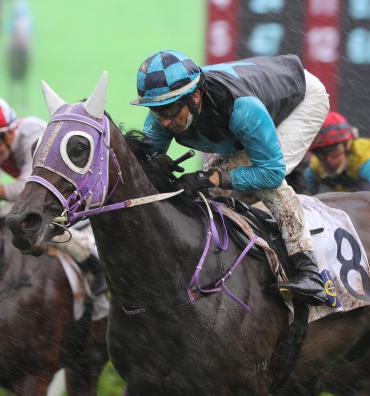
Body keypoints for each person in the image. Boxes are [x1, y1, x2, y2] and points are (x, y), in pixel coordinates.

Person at [131, 50, 330, 306]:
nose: (165, 121)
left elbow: (270, 173)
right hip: (256, 98)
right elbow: (144, 163)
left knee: (267, 186)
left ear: (195, 96)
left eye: (170, 110)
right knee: (205, 190)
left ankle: (309, 270)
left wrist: (213, 178)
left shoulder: (242, 109)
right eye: (157, 111)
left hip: (301, 99)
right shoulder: (167, 108)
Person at [0, 95, 106, 295]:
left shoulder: (33, 135)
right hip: (50, 197)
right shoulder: (0, 144)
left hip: (74, 198)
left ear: (9, 132)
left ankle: (93, 261)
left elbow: (22, 188)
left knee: (26, 220)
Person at [303, 111, 370, 194]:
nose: (328, 160)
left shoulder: (367, 159)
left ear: (347, 145)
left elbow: (369, 202)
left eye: (334, 151)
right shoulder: (315, 166)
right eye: (321, 154)